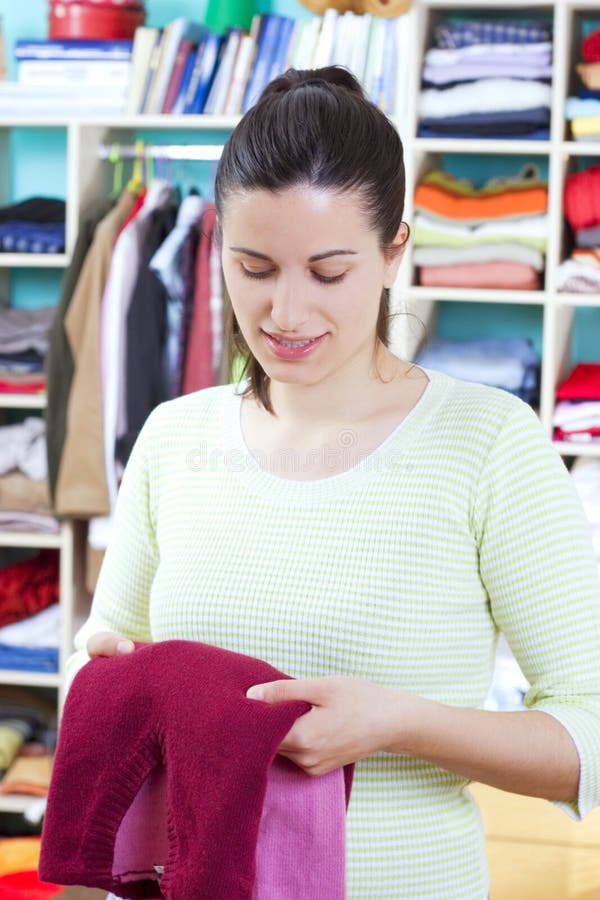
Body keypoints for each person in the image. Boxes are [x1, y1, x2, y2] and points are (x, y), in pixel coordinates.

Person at [68, 66, 600, 899]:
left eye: (327, 273)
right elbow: (107, 666)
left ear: (394, 253)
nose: (284, 313)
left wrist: (402, 723)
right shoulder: (174, 438)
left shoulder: (488, 446)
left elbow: (589, 732)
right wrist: (103, 678)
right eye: (253, 267)